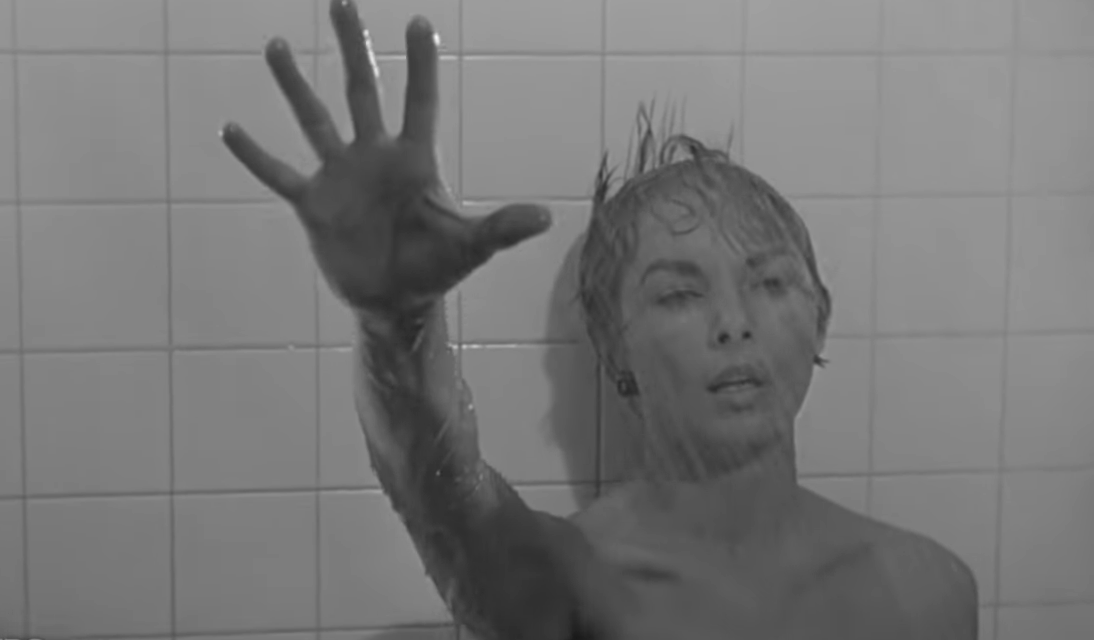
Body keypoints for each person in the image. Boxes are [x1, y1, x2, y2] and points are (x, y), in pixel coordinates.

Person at [221, 1, 979, 638]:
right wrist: (397, 323)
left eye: (771, 282)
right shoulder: (573, 585)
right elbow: (440, 494)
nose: (734, 322)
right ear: (615, 347)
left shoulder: (932, 591)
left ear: (821, 318)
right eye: (679, 295)